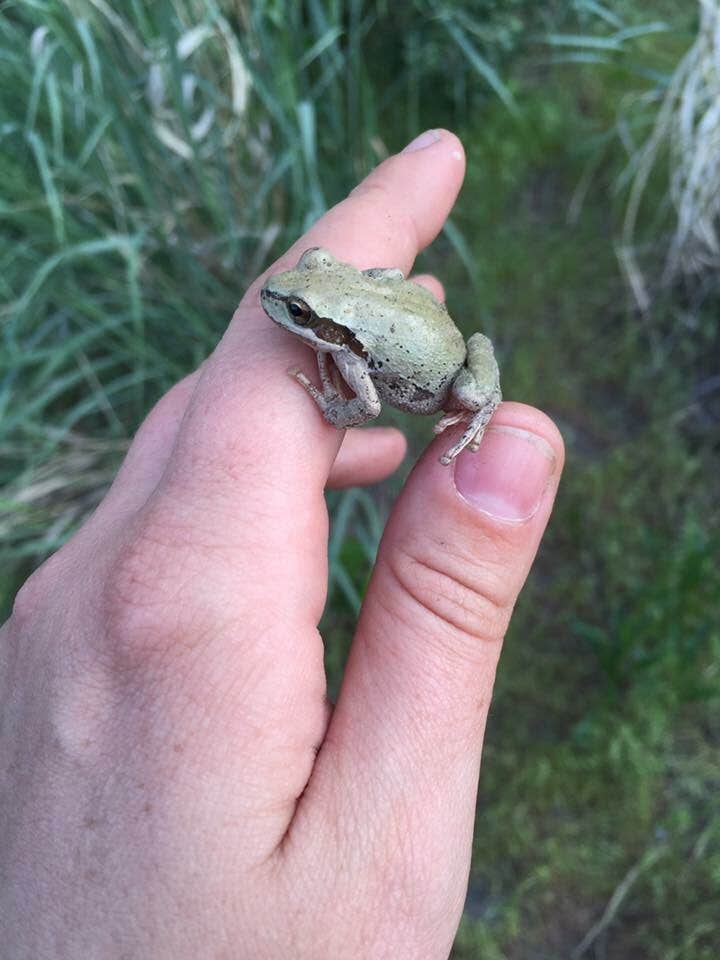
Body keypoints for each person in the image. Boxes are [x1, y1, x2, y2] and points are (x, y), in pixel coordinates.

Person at [0, 129, 563, 958]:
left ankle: (471, 403)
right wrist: (341, 307)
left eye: (300, 315)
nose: (282, 309)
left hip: (434, 375)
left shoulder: (351, 358)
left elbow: (364, 407)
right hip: (390, 314)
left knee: (476, 391)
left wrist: (325, 389)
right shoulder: (327, 311)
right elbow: (359, 302)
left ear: (324, 327)